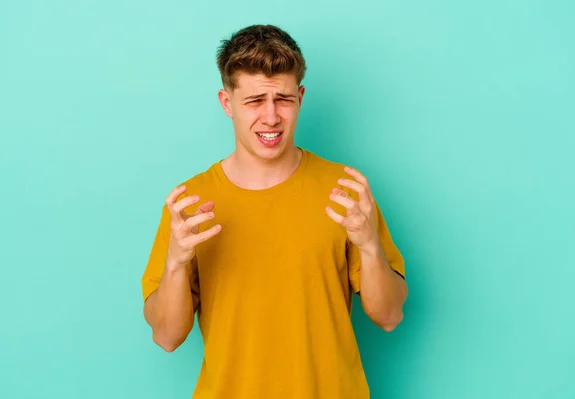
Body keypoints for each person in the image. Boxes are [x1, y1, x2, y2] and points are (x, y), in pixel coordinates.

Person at [141, 24, 408, 399]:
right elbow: (166, 337)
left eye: (282, 99)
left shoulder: (346, 191)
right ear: (226, 102)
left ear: (300, 97)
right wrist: (175, 264)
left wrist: (368, 246)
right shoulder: (190, 204)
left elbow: (390, 317)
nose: (271, 117)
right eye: (254, 101)